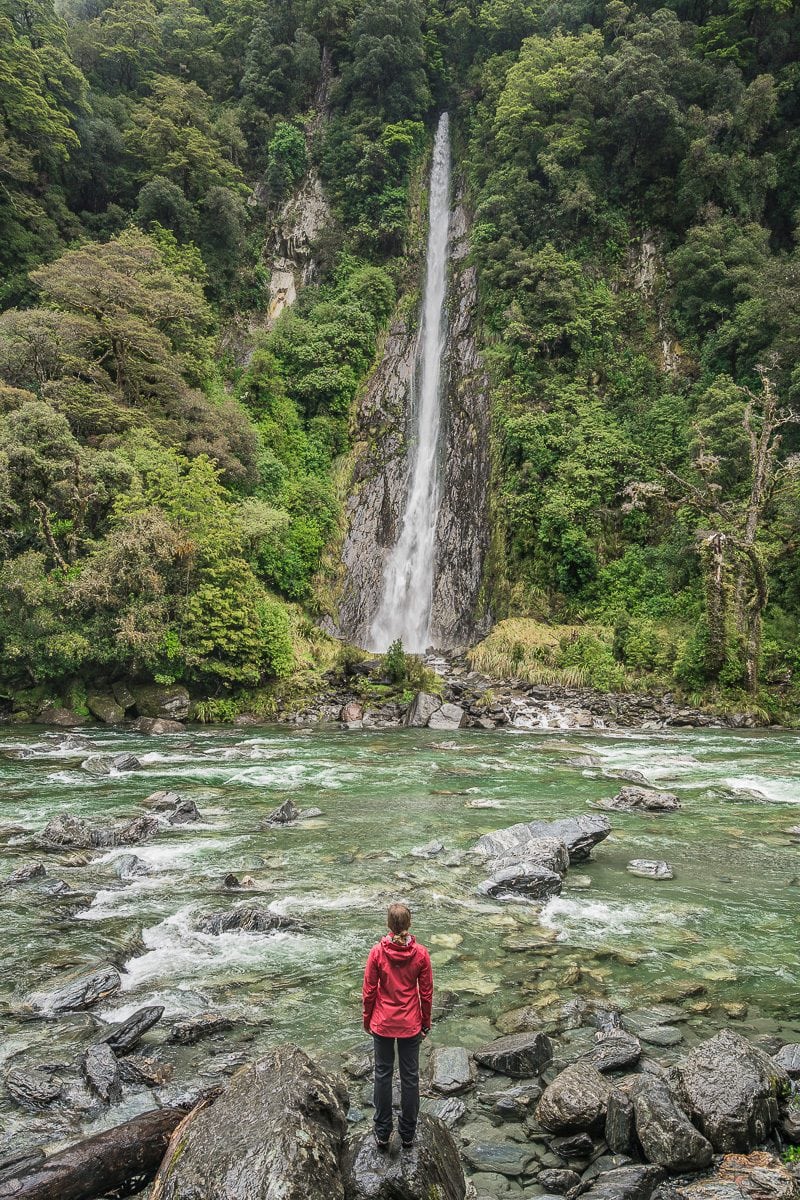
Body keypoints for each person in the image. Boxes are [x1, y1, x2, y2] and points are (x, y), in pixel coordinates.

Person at [362, 902, 433, 1150]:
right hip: (411, 1023)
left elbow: (369, 991)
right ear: (409, 924)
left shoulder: (377, 952)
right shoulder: (421, 953)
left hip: (382, 1022)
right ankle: (407, 1134)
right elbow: (426, 993)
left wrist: (366, 1019)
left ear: (388, 925)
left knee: (382, 1075)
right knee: (410, 1078)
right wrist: (426, 1022)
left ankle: (382, 1133)